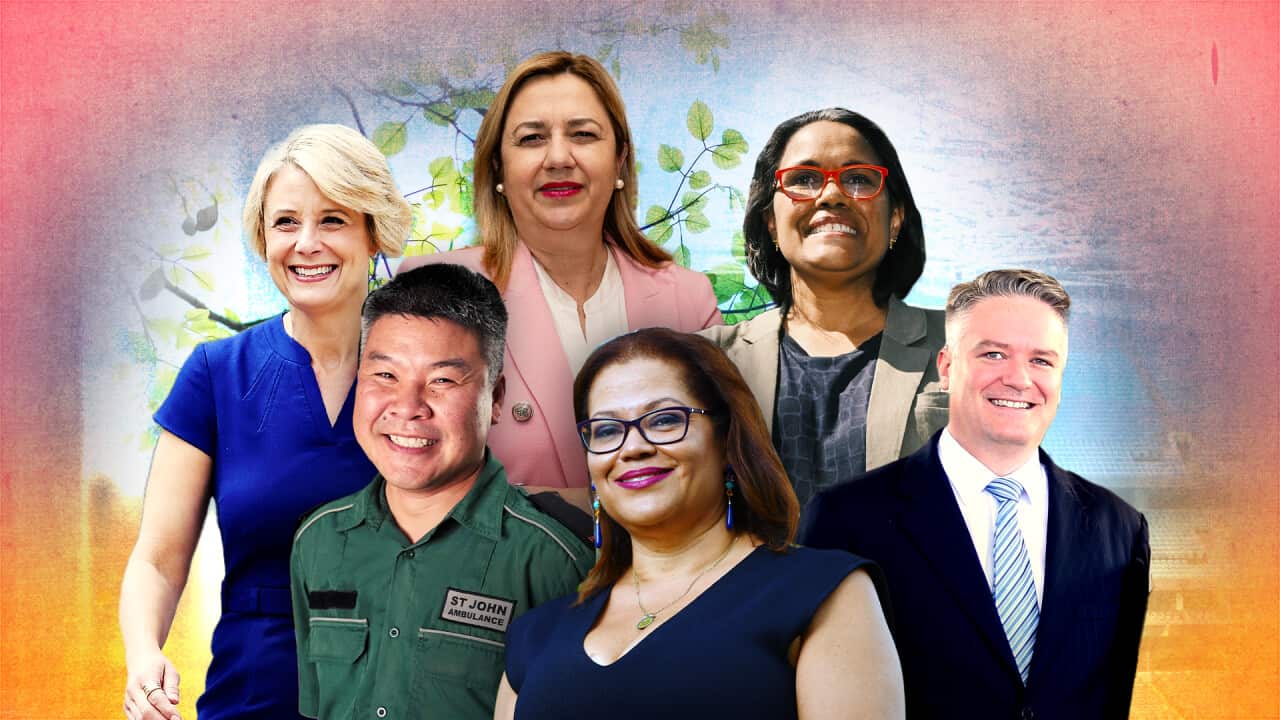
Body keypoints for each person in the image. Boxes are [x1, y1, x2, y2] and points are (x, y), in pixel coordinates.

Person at [119, 124, 413, 720]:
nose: (306, 243)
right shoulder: (215, 374)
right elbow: (156, 558)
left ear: (373, 233)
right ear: (263, 238)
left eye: (332, 220)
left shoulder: (432, 372)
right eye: (286, 222)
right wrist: (144, 652)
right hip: (254, 697)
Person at [497, 328, 903, 720]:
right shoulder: (535, 635)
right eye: (606, 430)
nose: (633, 447)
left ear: (726, 441)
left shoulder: (821, 592)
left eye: (664, 420)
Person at [801, 269, 1150, 719]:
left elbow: (1112, 694)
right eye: (994, 354)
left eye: (1041, 361)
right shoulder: (845, 520)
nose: (1019, 379)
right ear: (946, 367)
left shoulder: (1118, 528)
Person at [400, 51, 721, 499]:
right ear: (498, 167)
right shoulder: (432, 292)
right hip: (495, 565)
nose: (558, 157)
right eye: (531, 138)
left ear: (620, 159)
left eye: (583, 135)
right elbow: (412, 475)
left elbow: (721, 465)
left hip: (667, 566)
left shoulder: (688, 299)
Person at [291, 264, 593, 720]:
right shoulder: (318, 541)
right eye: (385, 376)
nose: (408, 408)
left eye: (442, 381)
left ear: (495, 398)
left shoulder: (554, 561)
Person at [702, 108, 946, 514]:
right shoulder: (705, 362)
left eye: (858, 179)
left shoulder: (965, 344)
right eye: (803, 180)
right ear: (770, 223)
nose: (831, 195)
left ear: (895, 219)